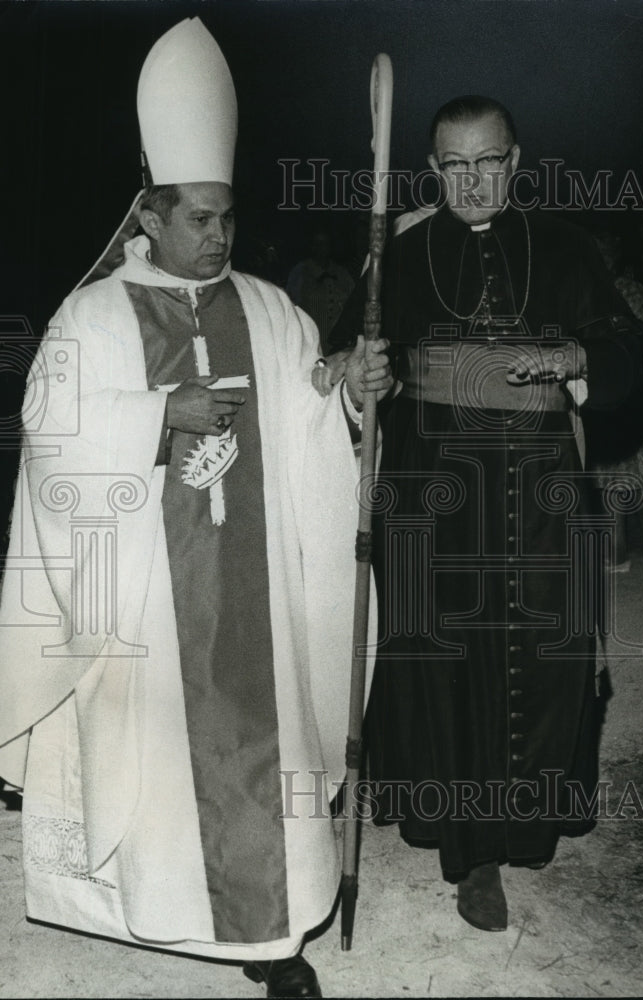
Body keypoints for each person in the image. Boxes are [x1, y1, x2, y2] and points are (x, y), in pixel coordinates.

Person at [0, 20, 391, 999]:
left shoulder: (268, 308)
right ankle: (158, 909)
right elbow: (49, 431)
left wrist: (347, 384)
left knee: (265, 746)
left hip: (256, 602)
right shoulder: (90, 318)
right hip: (146, 608)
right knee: (160, 767)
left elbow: (313, 419)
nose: (219, 235)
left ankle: (271, 939)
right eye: (198, 218)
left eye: (227, 216)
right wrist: (155, 413)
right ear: (151, 214)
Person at [329, 95, 643, 932]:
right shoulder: (397, 256)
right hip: (436, 497)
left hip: (544, 492)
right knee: (451, 663)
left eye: (489, 163)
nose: (473, 181)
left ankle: (524, 826)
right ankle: (471, 856)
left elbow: (627, 347)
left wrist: (575, 354)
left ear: (516, 161)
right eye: (454, 166)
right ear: (434, 171)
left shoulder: (569, 249)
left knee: (544, 658)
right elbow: (346, 357)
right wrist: (358, 377)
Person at [287, 228, 355, 352]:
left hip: (337, 344)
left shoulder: (342, 273)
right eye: (317, 244)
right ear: (312, 246)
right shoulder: (300, 272)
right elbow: (291, 305)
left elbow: (352, 304)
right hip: (310, 341)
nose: (321, 248)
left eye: (325, 244)